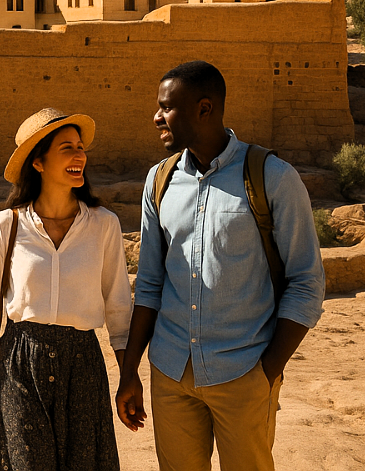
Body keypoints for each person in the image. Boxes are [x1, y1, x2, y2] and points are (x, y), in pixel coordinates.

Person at [115, 60, 326, 471]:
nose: (156, 117)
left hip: (244, 372)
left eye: (166, 107)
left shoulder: (272, 178)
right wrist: (129, 372)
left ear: (204, 109)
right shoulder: (159, 181)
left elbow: (307, 282)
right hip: (171, 372)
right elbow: (150, 283)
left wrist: (267, 372)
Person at [0, 108, 132, 471]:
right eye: (67, 148)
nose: (79, 155)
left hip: (83, 365)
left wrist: (129, 378)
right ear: (38, 162)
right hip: (20, 364)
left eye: (81, 147)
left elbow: (118, 308)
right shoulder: (7, 225)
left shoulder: (104, 225)